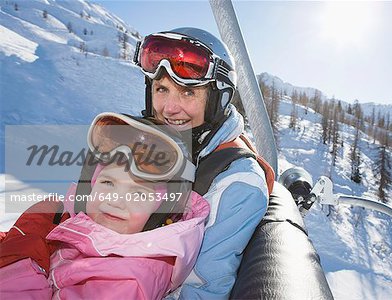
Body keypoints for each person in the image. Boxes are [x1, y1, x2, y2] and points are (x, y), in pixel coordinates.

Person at [0, 112, 210, 299]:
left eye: (138, 193)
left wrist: (20, 259)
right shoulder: (85, 231)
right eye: (108, 182)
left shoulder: (127, 280)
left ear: (162, 213)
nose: (115, 200)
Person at [133, 27, 272, 298]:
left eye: (187, 93)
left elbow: (201, 291)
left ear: (217, 100)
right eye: (161, 89)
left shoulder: (237, 183)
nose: (169, 108)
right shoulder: (160, 144)